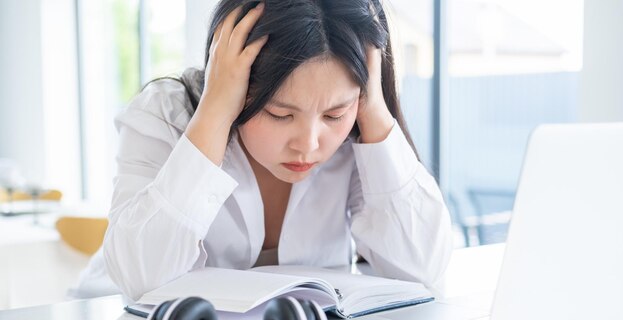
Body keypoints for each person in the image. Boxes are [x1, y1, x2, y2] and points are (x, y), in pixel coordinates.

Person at [75, 0, 453, 301]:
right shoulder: (164, 115)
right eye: (279, 113)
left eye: (334, 113)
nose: (308, 143)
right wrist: (215, 111)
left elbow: (422, 268)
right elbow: (141, 279)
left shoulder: (358, 131)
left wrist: (371, 108)